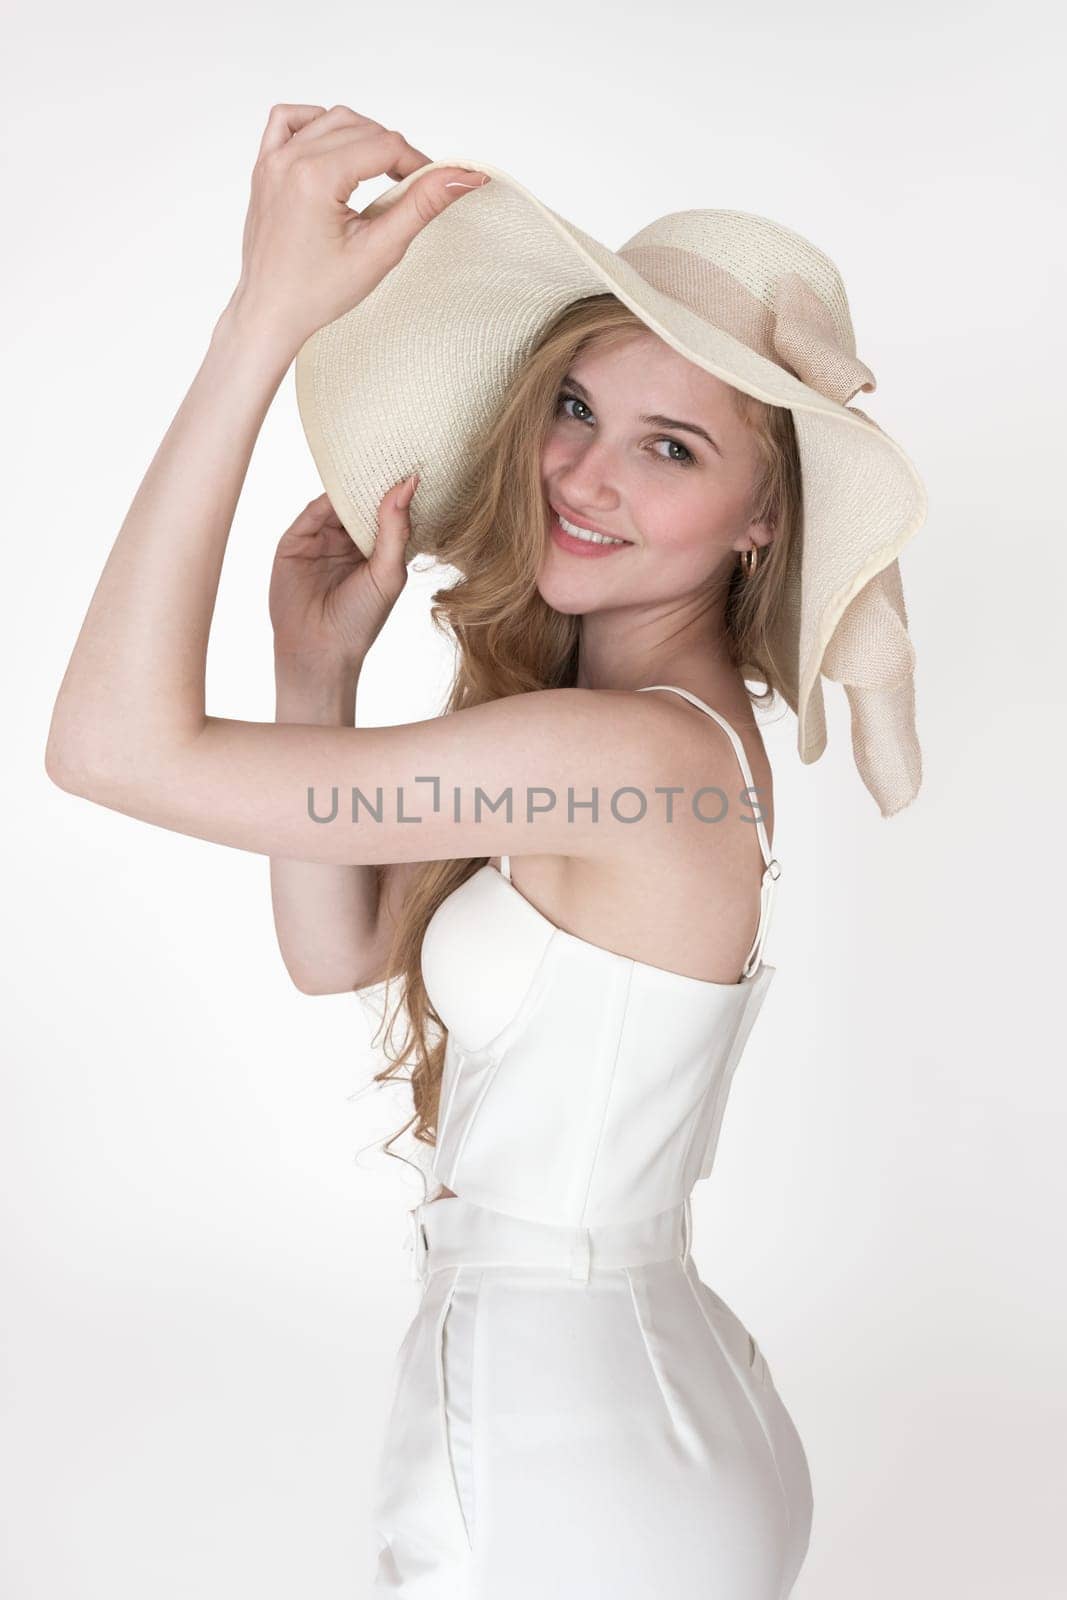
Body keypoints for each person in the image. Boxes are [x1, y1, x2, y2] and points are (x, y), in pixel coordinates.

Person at [45, 104, 927, 1598]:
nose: (587, 478)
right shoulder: (642, 735)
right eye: (577, 409)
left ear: (762, 518)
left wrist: (261, 322)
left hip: (569, 1452)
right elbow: (336, 956)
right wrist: (311, 673)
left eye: (671, 447)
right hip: (612, 1408)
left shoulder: (628, 761)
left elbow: (103, 748)